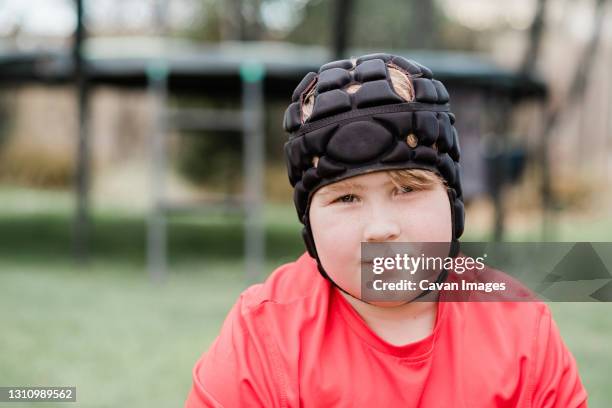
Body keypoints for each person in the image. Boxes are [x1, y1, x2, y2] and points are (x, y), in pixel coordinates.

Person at [185, 53, 587, 407]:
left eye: (407, 189)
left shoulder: (519, 326)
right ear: (309, 223)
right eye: (346, 198)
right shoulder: (263, 335)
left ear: (452, 200)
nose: (380, 229)